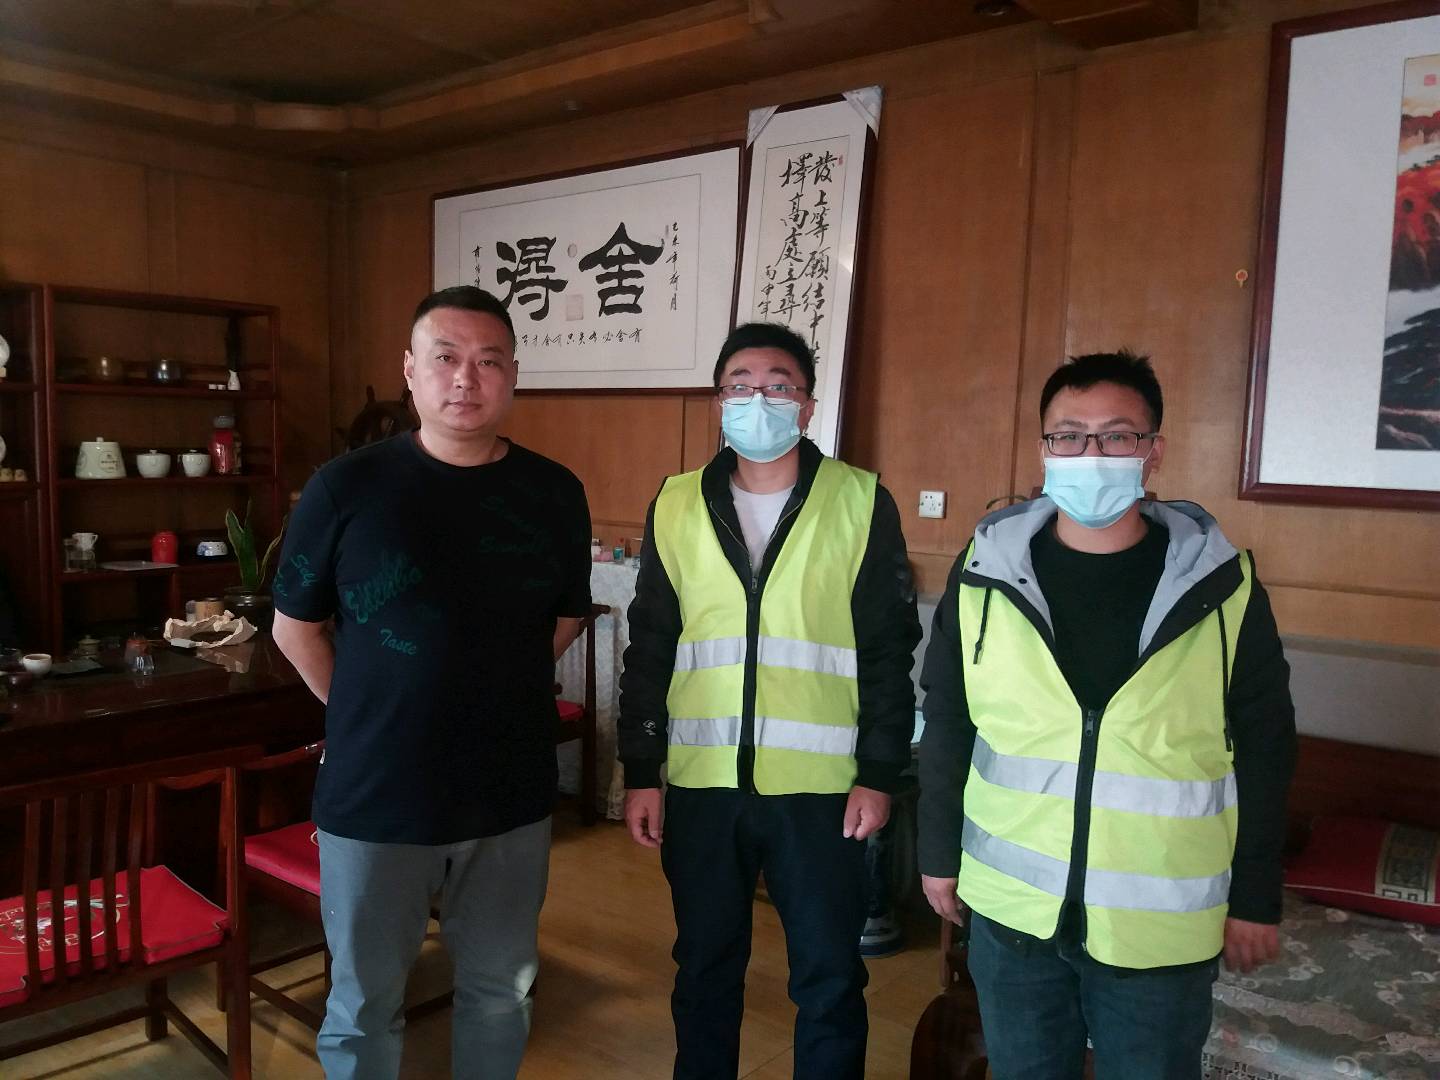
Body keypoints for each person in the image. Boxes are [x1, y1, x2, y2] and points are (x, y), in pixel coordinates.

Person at [917, 350, 1297, 1080]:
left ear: (1154, 451)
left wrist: (1256, 894)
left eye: (1118, 435)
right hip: (1013, 912)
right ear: (1044, 449)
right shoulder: (985, 574)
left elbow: (1266, 747)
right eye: (1069, 435)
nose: (1091, 454)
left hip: (1157, 930)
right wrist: (938, 853)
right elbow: (950, 721)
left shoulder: (1222, 588)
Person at [271, 285, 592, 1080]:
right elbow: (295, 628)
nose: (465, 378)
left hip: (508, 790)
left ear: (513, 375)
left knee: (501, 991)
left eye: (488, 361)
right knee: (364, 1004)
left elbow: (566, 617)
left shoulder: (554, 492)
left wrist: (488, 690)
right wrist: (370, 712)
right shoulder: (345, 487)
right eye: (445, 357)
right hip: (377, 793)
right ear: (411, 370)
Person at [618, 321, 921, 1080]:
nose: (760, 400)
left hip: (821, 792)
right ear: (718, 402)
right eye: (741, 385)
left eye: (779, 386)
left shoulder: (859, 500)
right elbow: (651, 643)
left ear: (808, 405)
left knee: (829, 977)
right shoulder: (677, 502)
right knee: (704, 968)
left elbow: (889, 651)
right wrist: (642, 770)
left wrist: (879, 773)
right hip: (703, 786)